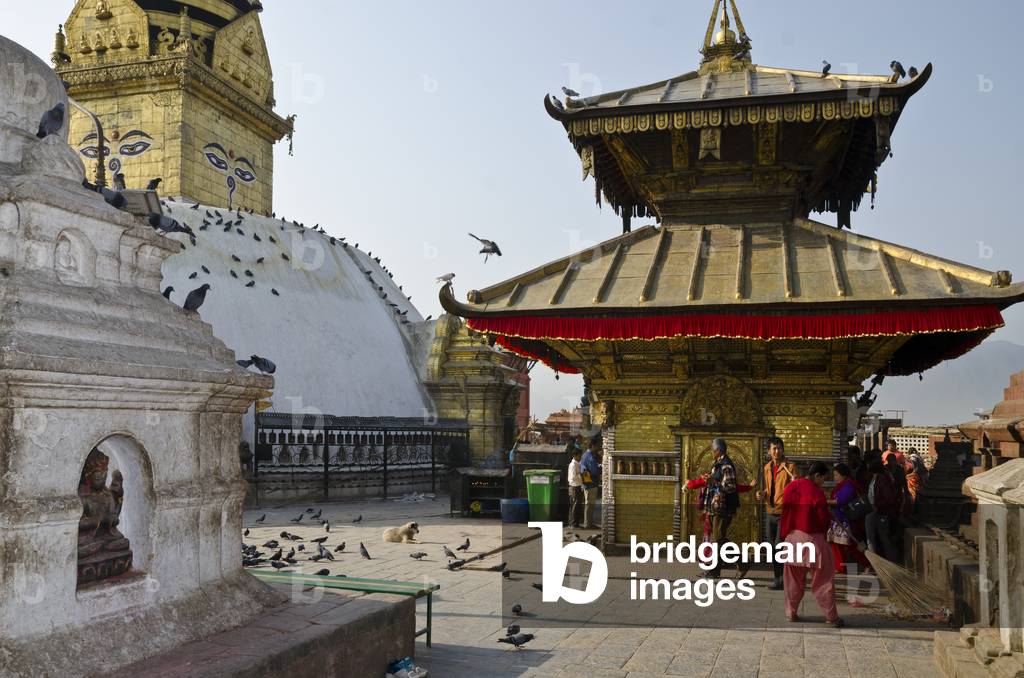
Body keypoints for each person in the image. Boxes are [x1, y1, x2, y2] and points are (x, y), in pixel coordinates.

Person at [780, 461, 843, 627]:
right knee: (824, 581)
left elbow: (784, 513)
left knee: (792, 581)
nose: (823, 482)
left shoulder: (790, 487)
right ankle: (831, 617)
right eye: (824, 478)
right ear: (817, 475)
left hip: (792, 539)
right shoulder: (817, 492)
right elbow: (823, 519)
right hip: (814, 540)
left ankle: (790, 612)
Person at [756, 437, 800, 590]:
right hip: (770, 510)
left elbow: (796, 489)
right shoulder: (767, 467)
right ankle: (780, 577)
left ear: (783, 450)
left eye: (779, 448)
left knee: (779, 546)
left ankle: (780, 580)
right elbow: (769, 488)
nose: (776, 451)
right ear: (769, 451)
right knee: (771, 546)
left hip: (784, 512)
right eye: (774, 448)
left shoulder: (790, 467)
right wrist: (762, 493)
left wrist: (795, 482)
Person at [702, 438, 742, 578]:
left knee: (718, 539)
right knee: (717, 540)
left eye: (712, 450)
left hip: (723, 508)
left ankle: (742, 561)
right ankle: (714, 571)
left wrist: (713, 480)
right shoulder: (718, 464)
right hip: (716, 507)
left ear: (718, 450)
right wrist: (710, 479)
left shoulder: (726, 465)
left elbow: (730, 486)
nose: (711, 452)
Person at [827, 463, 872, 575]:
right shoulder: (841, 486)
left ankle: (867, 564)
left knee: (853, 545)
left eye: (837, 475)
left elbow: (840, 501)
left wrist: (825, 501)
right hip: (838, 520)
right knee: (836, 544)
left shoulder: (848, 486)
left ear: (843, 475)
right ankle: (840, 567)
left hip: (846, 521)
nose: (835, 478)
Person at [864, 457, 898, 560]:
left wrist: (877, 506)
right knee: (873, 538)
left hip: (880, 512)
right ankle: (876, 560)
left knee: (881, 538)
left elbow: (889, 498)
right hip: (873, 510)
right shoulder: (873, 478)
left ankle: (887, 560)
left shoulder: (882, 479)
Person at [580, 438, 601, 529]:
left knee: (590, 504)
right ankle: (588, 524)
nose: (597, 447)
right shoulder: (589, 456)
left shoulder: (585, 455)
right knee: (589, 505)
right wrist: (600, 468)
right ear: (592, 446)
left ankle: (589, 523)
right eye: (596, 446)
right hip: (590, 483)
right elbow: (593, 470)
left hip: (588, 483)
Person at [567, 448, 583, 528]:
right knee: (575, 506)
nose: (580, 457)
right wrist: (580, 475)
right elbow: (572, 477)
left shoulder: (576, 464)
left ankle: (573, 523)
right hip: (574, 487)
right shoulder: (573, 465)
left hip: (576, 486)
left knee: (575, 506)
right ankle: (573, 524)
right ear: (575, 455)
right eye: (579, 456)